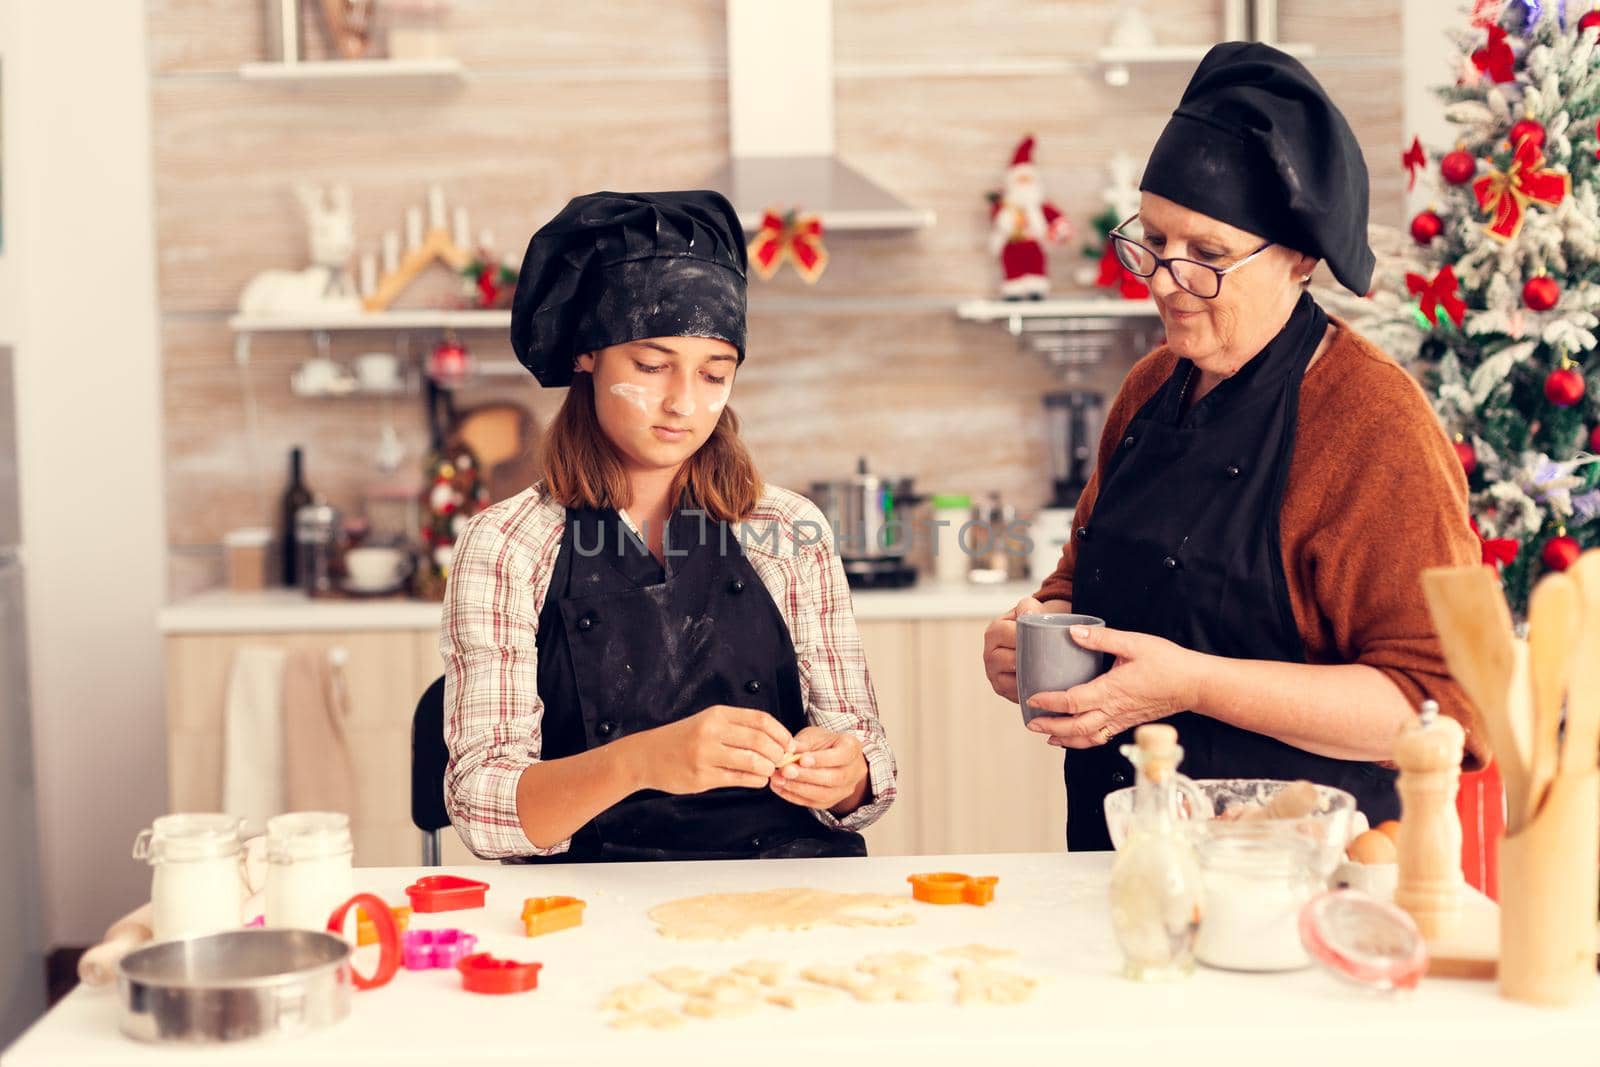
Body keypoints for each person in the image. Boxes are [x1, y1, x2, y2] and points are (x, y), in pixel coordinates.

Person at [982, 44, 1484, 851]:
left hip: (1299, 885)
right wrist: (1033, 627)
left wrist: (1193, 683)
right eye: (1152, 240)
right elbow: (1081, 578)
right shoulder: (1150, 387)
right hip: (1121, 860)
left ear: (1299, 259)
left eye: (1208, 255)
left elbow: (1440, 704)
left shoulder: (1372, 421)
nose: (1164, 279)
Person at [442, 190, 896, 862]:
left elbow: (867, 760)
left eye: (715, 373)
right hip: (590, 902)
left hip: (785, 888)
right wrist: (644, 760)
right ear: (588, 355)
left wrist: (848, 775)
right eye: (652, 367)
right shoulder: (508, 546)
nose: (684, 401)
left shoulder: (789, 530)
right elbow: (481, 804)